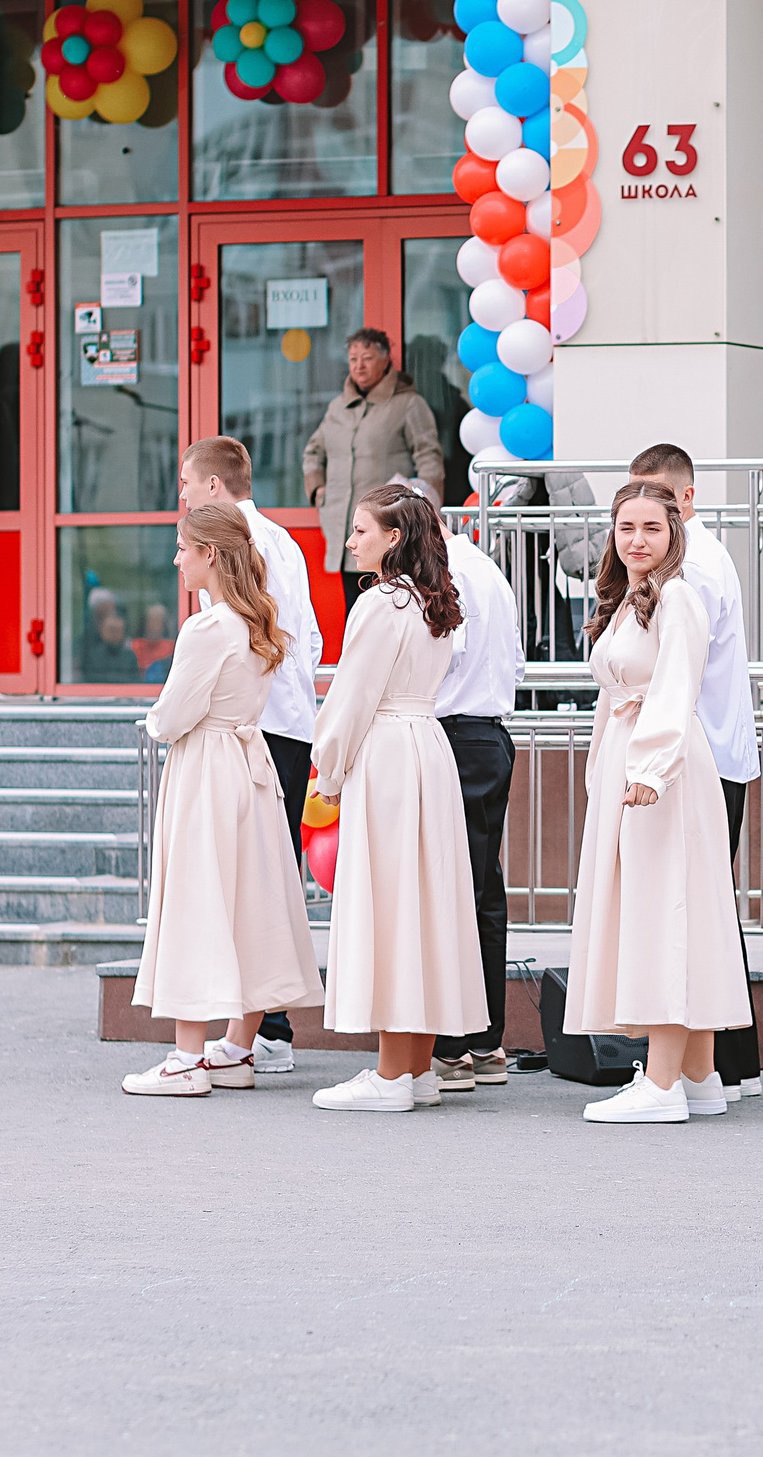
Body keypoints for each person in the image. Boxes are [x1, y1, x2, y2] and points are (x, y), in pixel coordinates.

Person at [119, 503, 325, 1098]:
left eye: (184, 547)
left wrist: (156, 722)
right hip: (250, 768)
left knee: (197, 899)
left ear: (210, 553)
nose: (177, 558)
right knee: (248, 903)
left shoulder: (208, 628)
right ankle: (236, 1049)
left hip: (208, 767)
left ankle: (186, 1058)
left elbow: (175, 712)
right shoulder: (260, 620)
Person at [564, 482, 754, 1124]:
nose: (637, 540)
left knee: (665, 907)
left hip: (665, 772)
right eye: (626, 529)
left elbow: (676, 687)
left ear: (673, 531)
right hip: (632, 759)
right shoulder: (628, 601)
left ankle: (665, 1081)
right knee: (666, 904)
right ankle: (699, 1074)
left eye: (651, 527)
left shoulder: (678, 598)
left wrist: (648, 768)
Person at [307, 484, 488, 1113]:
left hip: (386, 752)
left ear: (393, 539)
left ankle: (391, 1076)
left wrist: (325, 770)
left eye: (360, 530)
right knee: (423, 904)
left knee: (390, 904)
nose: (350, 540)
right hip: (426, 748)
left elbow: (351, 695)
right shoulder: (430, 599)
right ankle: (414, 1069)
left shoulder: (381, 603)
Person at [176, 436, 323, 1076]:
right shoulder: (282, 539)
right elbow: (310, 636)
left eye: (187, 481)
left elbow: (235, 647)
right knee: (268, 871)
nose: (181, 493)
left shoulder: (235, 546)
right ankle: (262, 1023)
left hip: (253, 727)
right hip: (284, 720)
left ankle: (263, 1027)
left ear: (213, 486)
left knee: (252, 878)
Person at [626, 443, 763, 1097]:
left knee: (694, 909)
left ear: (686, 499)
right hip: (698, 750)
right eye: (631, 512)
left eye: (655, 508)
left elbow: (675, 670)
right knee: (705, 905)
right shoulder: (685, 565)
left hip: (695, 755)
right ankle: (718, 1068)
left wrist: (655, 762)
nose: (641, 522)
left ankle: (716, 1067)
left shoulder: (694, 569)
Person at [429, 514, 523, 1091]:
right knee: (484, 889)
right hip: (490, 733)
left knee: (453, 889)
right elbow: (510, 660)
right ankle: (485, 1041)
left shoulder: (446, 573)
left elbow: (443, 656)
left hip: (456, 735)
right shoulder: (488, 569)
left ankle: (453, 1045)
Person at [303, 328, 444, 573]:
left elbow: (428, 457)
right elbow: (313, 452)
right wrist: (318, 491)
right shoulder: (338, 407)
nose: (359, 366)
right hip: (341, 523)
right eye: (353, 359)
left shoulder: (409, 404)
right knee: (353, 603)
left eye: (367, 359)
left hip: (387, 525)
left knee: (391, 598)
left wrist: (425, 510)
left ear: (385, 359)